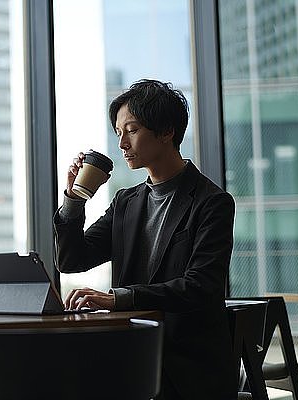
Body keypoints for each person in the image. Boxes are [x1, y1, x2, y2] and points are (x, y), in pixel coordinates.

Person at [53, 79, 238, 399]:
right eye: (118, 132)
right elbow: (72, 260)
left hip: (187, 369)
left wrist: (118, 298)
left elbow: (201, 286)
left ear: (166, 131)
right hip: (132, 357)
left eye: (132, 129)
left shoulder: (212, 202)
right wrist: (75, 197)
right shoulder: (127, 202)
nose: (122, 143)